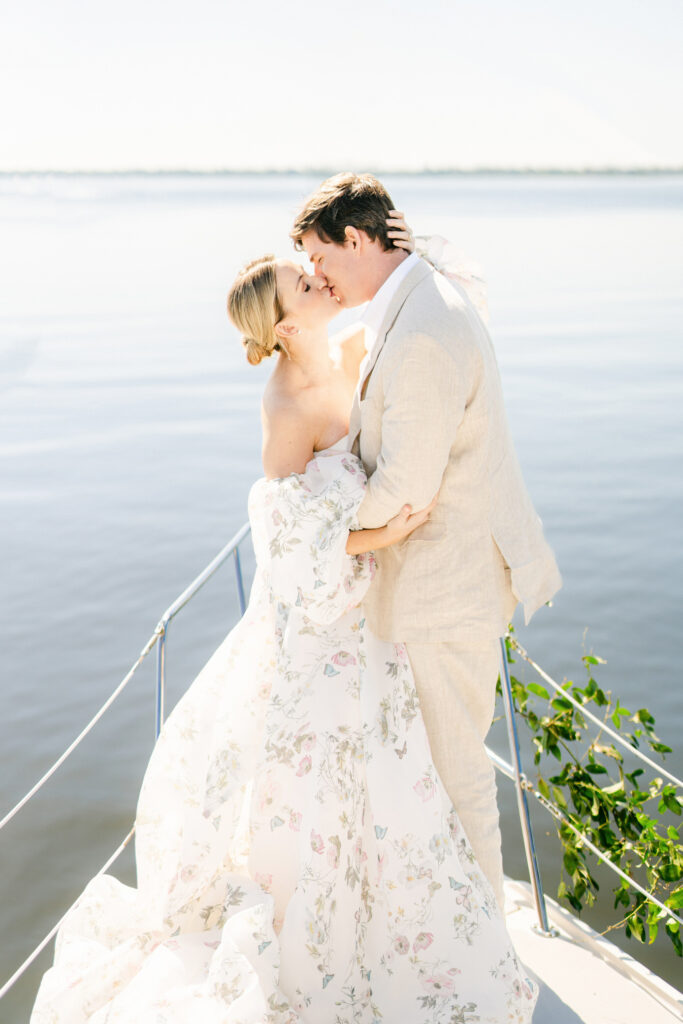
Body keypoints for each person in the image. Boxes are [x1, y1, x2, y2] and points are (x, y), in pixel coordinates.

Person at [30, 216, 538, 1024]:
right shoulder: (286, 405)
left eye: (315, 268)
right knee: (315, 792)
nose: (319, 279)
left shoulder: (351, 353)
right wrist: (386, 533)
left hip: (368, 617)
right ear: (284, 320)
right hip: (321, 627)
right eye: (304, 281)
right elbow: (292, 543)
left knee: (384, 786)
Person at [291, 173, 562, 914]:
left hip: (445, 590)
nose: (316, 276)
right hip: (437, 582)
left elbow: (405, 486)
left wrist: (309, 538)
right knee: (435, 771)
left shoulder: (422, 330)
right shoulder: (412, 299)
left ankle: (481, 952)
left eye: (320, 258)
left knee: (454, 775)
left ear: (356, 239)